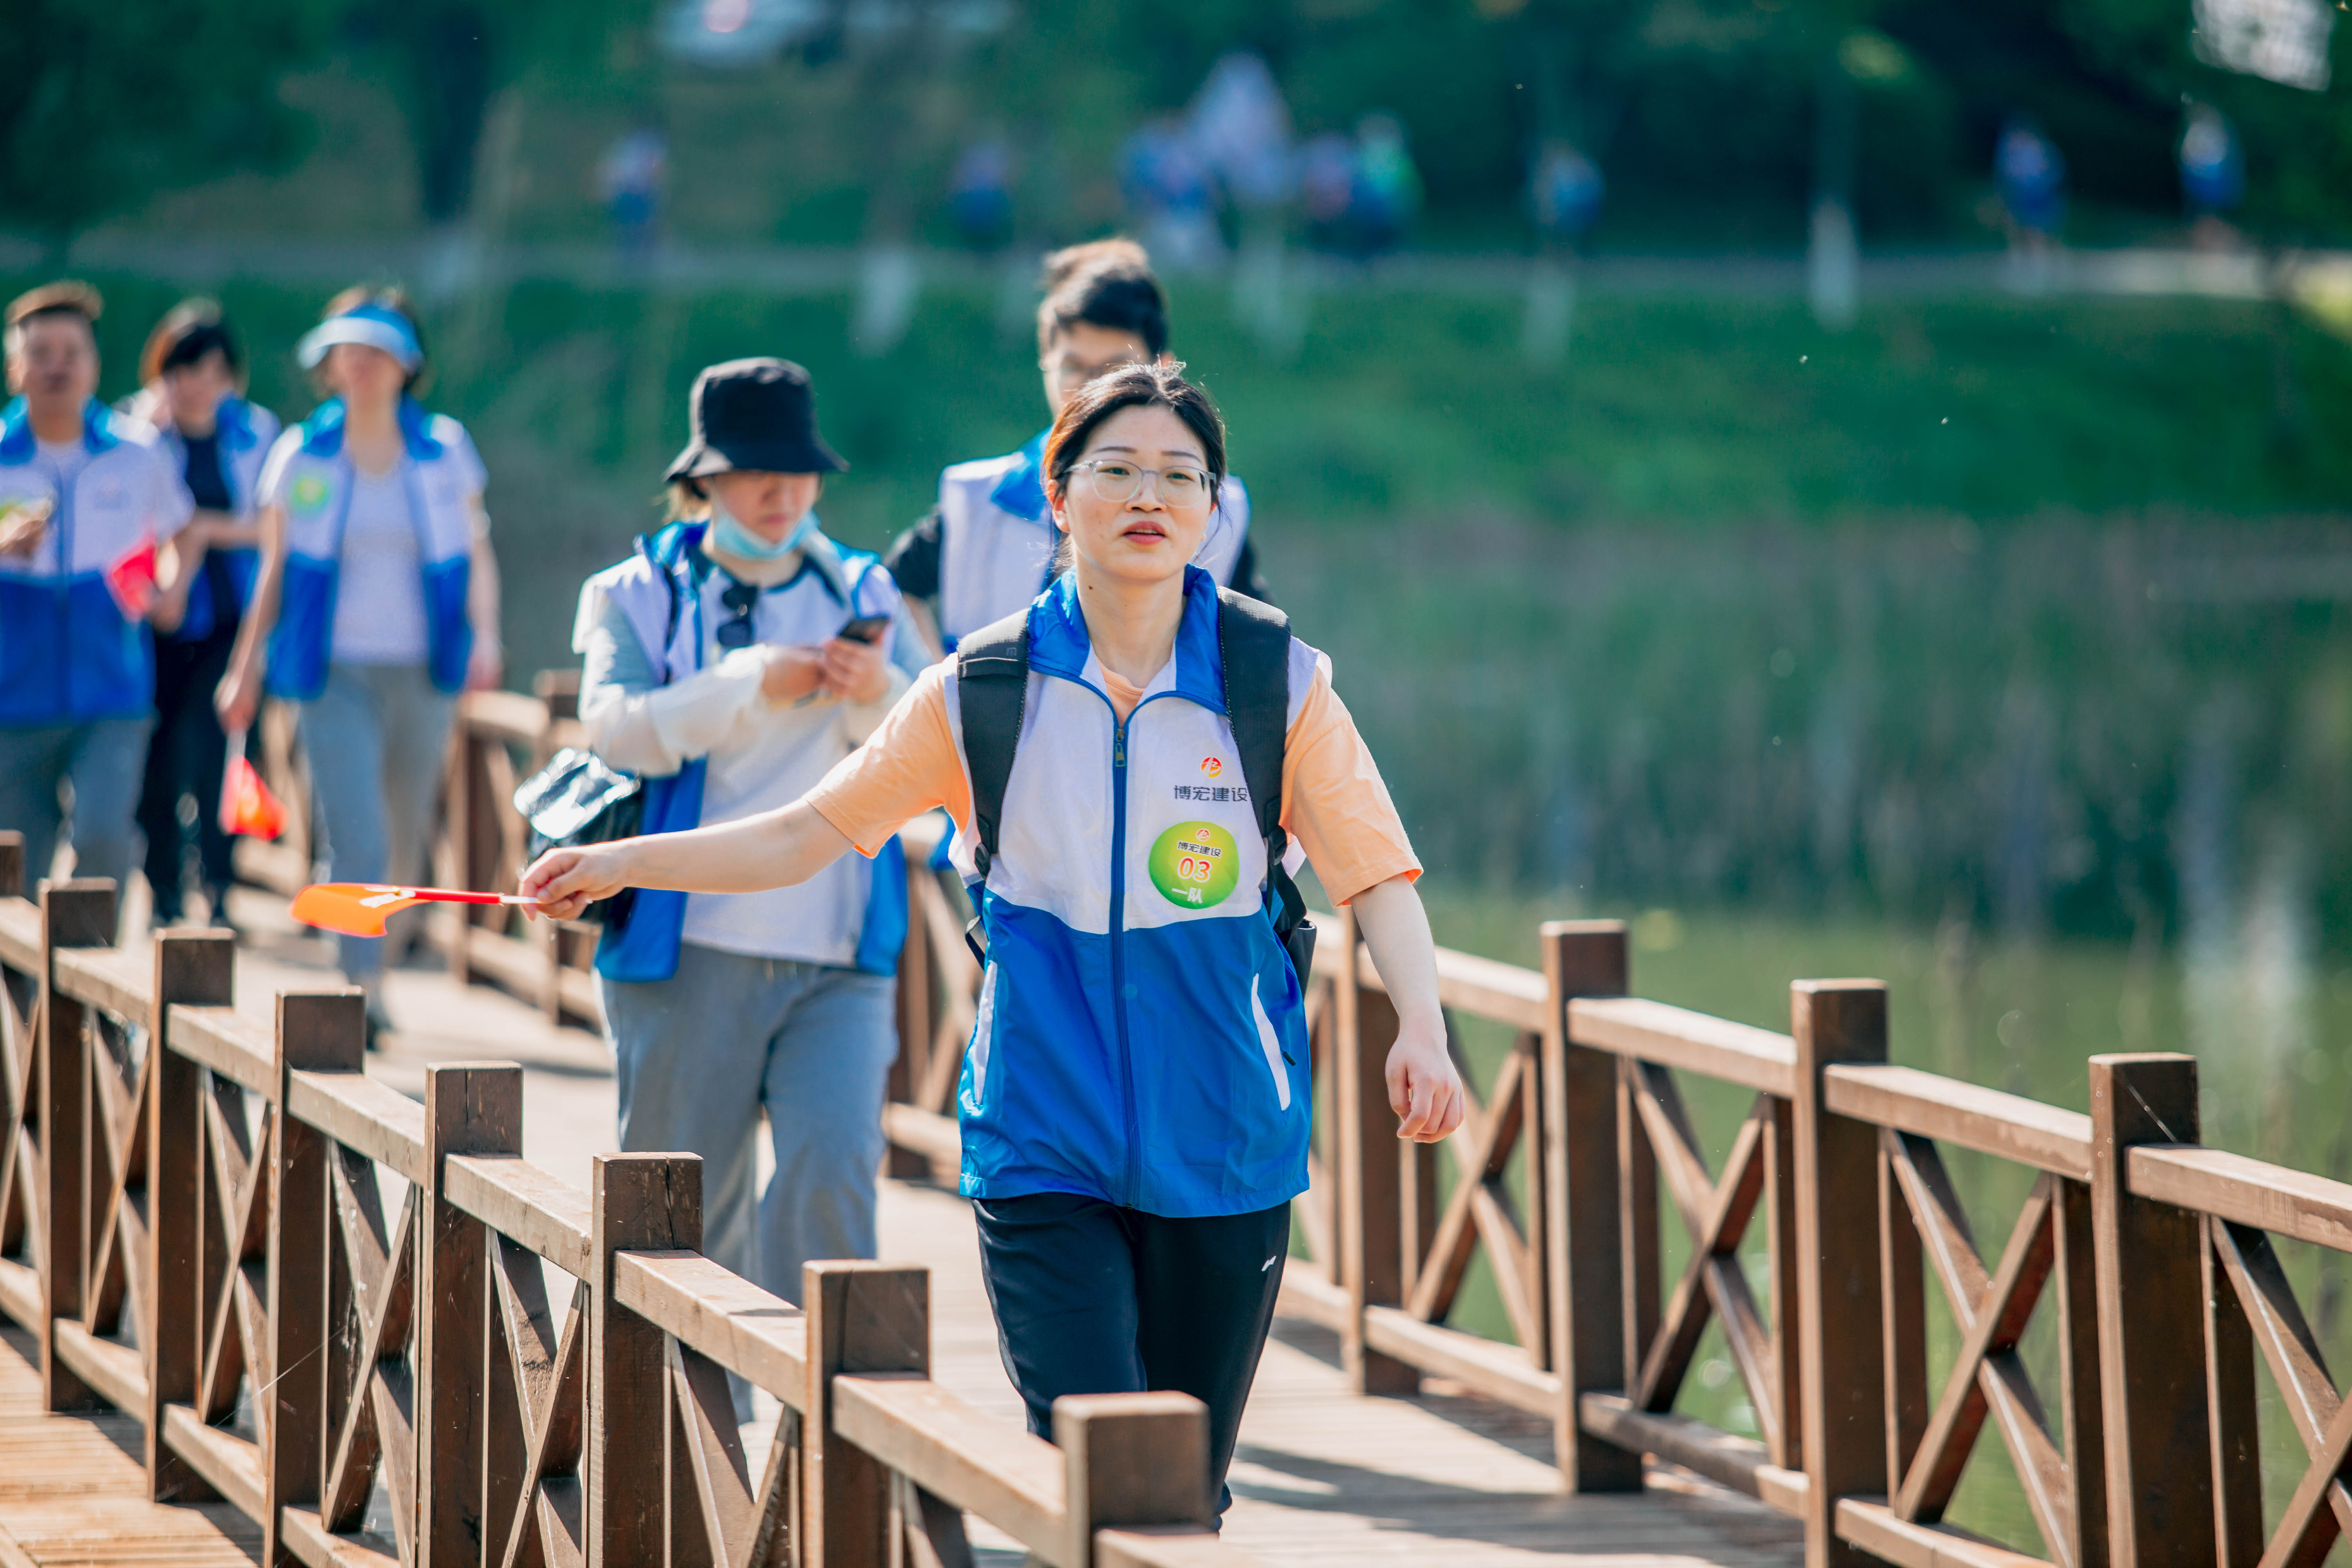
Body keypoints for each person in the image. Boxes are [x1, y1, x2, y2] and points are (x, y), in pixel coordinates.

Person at [521, 361, 1465, 1515]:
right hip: (1039, 1138)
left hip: (1227, 1142)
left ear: (1213, 510)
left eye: (1180, 475)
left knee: (1185, 1491)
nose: (1149, 495)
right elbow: (806, 834)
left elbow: (1377, 876)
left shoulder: (1276, 680)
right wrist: (624, 862)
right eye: (1116, 469)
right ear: (1057, 496)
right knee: (1089, 1474)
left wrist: (1421, 1026)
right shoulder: (982, 687)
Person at [570, 359, 912, 1364]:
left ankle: (827, 1436)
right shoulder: (636, 591)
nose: (784, 492)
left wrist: (874, 685)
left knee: (834, 1183)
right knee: (683, 1215)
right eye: (758, 470)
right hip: (687, 945)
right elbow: (614, 730)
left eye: (799, 471)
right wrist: (749, 680)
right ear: (705, 478)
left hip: (840, 951)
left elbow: (915, 740)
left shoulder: (862, 586)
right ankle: (690, 1440)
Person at [215, 288, 503, 1042]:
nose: (363, 365)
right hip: (332, 673)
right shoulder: (302, 454)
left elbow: (476, 551)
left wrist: (487, 636)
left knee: (406, 836)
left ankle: (376, 956)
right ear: (329, 363)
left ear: (408, 364)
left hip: (424, 671)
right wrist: (245, 667)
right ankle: (361, 986)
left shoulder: (443, 450)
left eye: (378, 351)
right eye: (349, 351)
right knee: (359, 831)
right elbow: (274, 569)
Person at [885, 239, 1265, 661]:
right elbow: (889, 592)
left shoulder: (1216, 509)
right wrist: (939, 683)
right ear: (1045, 362)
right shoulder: (979, 499)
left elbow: (1258, 647)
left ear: (1163, 370)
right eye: (1072, 367)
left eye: (1114, 369)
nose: (1090, 389)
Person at [0, 282, 196, 906]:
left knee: (104, 836)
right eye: (40, 353)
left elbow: (181, 530)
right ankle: (28, 974)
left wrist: (172, 589)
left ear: (94, 364)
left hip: (113, 689)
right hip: (12, 698)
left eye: (71, 352)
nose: (56, 366)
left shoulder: (136, 453)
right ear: (15, 368)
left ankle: (92, 969)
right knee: (15, 868)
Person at [126, 301, 282, 929]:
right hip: (155, 621)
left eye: (214, 371)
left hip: (231, 618)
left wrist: (203, 528)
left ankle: (219, 884)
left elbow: (273, 528)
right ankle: (163, 887)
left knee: (223, 748)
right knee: (157, 755)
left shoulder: (257, 433)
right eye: (186, 369)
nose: (199, 384)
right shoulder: (136, 436)